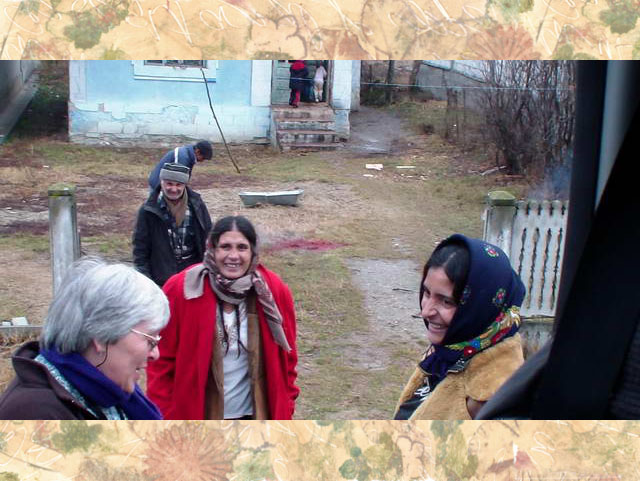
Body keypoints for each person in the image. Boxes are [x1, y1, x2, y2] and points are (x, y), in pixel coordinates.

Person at [146, 215, 299, 420]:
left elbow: (287, 358)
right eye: (225, 247)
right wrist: (164, 412)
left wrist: (287, 403)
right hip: (197, 417)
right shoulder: (182, 289)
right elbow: (161, 360)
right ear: (212, 249)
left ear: (253, 251)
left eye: (242, 247)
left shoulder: (273, 291)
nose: (233, 256)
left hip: (255, 417)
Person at [0, 257, 169, 420]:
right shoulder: (32, 414)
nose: (156, 354)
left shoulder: (108, 392)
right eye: (150, 341)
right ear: (102, 335)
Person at [394, 234, 526, 420]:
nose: (425, 312)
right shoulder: (453, 352)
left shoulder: (491, 399)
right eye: (426, 292)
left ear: (481, 306)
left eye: (446, 301)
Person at [133, 163, 212, 287]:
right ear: (162, 182)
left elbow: (208, 237)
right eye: (169, 183)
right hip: (161, 277)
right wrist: (146, 280)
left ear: (185, 185)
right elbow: (140, 249)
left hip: (193, 274)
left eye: (179, 185)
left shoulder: (196, 205)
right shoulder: (148, 210)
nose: (174, 189)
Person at [148, 140, 212, 191]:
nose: (202, 161)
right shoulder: (183, 157)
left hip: (163, 185)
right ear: (197, 152)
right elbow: (177, 180)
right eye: (203, 158)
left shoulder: (189, 154)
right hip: (158, 186)